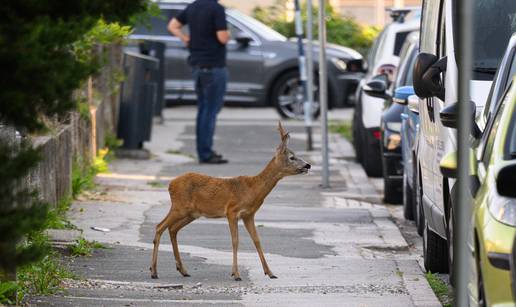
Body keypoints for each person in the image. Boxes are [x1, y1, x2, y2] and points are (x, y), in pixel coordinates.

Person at [168, 0, 231, 164]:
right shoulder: (217, 9)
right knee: (210, 111)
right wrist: (229, 34)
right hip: (214, 66)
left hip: (197, 65)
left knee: (203, 109)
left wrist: (185, 38)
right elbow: (222, 37)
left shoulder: (192, 7)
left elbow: (172, 25)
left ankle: (203, 151)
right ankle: (206, 153)